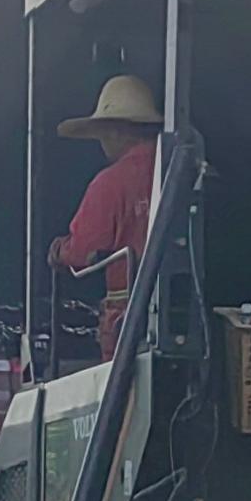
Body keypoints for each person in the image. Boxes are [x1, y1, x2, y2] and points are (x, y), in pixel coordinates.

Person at [50, 73, 164, 361]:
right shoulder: (183, 170)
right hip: (187, 314)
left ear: (116, 131)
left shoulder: (111, 183)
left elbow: (84, 250)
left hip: (129, 321)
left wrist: (60, 251)